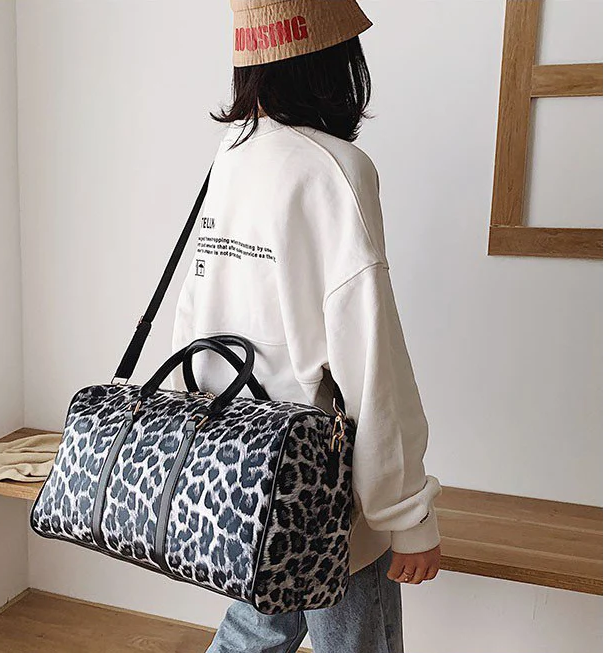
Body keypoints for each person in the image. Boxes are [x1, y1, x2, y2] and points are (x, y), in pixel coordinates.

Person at [170, 1, 442, 651]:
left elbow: (195, 318)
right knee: (354, 640)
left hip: (241, 466)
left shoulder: (232, 154)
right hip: (325, 484)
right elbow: (370, 360)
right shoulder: (336, 170)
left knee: (254, 629)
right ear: (333, 60)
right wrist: (406, 514)